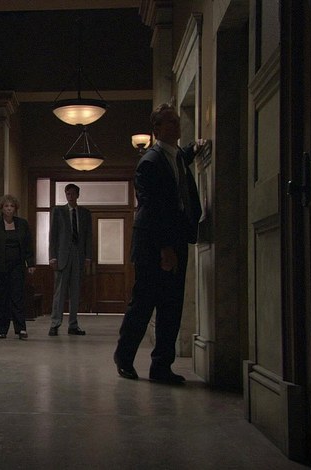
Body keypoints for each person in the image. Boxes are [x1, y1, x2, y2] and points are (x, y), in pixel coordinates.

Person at [113, 103, 205, 384]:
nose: (177, 126)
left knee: (171, 306)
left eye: (177, 121)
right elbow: (152, 207)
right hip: (153, 244)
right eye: (171, 122)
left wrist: (194, 148)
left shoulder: (175, 156)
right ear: (156, 129)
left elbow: (179, 162)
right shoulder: (149, 162)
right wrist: (165, 249)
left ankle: (161, 367)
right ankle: (124, 358)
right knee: (143, 304)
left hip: (176, 238)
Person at [0, 194, 36, 340]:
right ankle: (1, 329)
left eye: (11, 206)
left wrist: (30, 263)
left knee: (17, 297)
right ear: (1, 208)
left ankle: (21, 329)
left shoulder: (22, 224)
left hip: (17, 266)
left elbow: (28, 245)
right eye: (6, 206)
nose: (9, 209)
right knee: (0, 299)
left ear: (15, 209)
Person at [48, 183, 92, 336]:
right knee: (59, 292)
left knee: (75, 292)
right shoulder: (58, 211)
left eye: (73, 194)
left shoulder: (85, 213)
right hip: (62, 255)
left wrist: (88, 256)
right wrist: (52, 256)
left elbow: (88, 236)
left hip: (78, 255)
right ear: (65, 195)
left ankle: (73, 324)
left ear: (77, 195)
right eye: (68, 194)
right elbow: (53, 235)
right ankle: (55, 324)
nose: (71, 196)